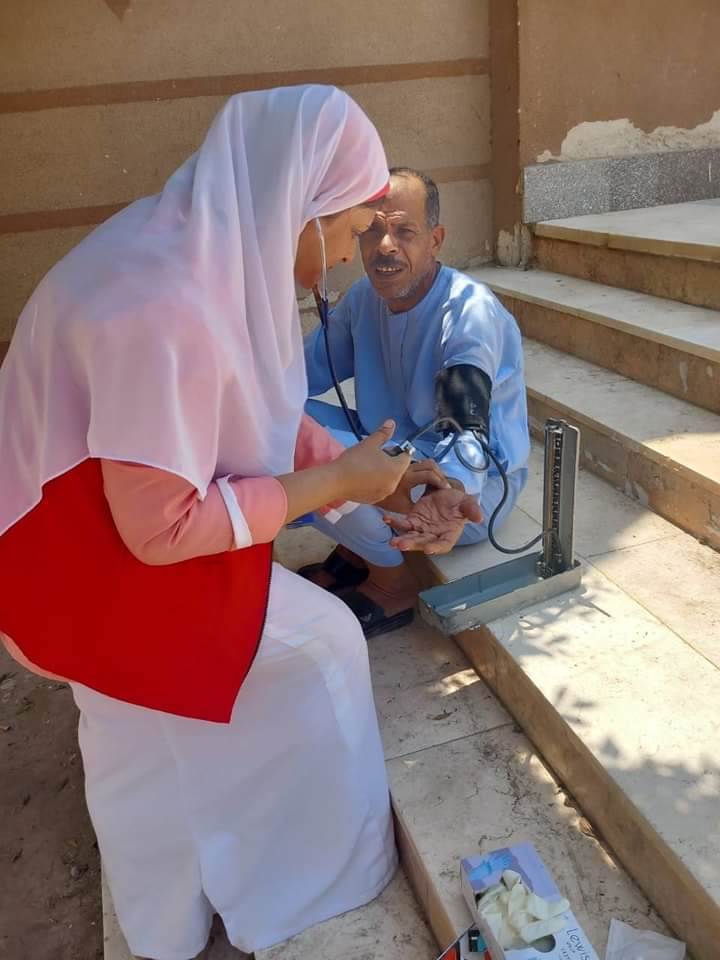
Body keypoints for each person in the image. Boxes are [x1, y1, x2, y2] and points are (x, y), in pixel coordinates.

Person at [0, 87, 444, 960]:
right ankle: (319, 887)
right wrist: (336, 482)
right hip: (82, 568)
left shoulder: (192, 248)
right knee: (324, 646)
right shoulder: (161, 304)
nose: (352, 256)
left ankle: (165, 924)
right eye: (351, 228)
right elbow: (163, 532)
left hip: (58, 548)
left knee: (136, 734)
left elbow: (255, 414)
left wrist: (384, 486)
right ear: (300, 205)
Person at [303, 167, 530, 638]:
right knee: (278, 426)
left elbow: (466, 424)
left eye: (404, 232)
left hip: (463, 489)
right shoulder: (364, 298)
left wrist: (454, 488)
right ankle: (358, 549)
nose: (385, 247)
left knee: (317, 453)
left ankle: (393, 583)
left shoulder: (469, 311)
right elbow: (300, 373)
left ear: (435, 240)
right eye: (372, 231)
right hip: (396, 456)